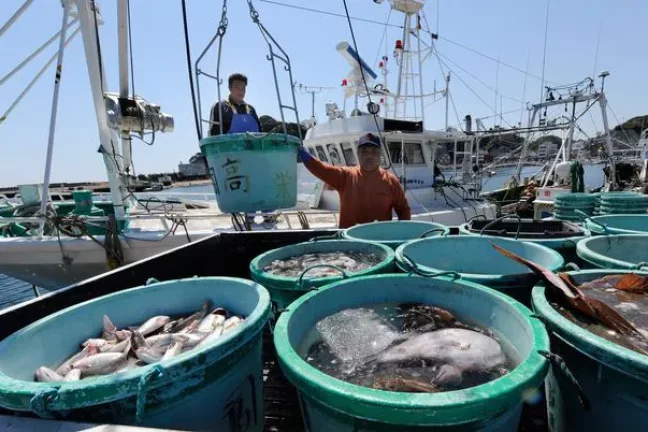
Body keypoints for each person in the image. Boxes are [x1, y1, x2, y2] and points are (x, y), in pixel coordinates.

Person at [298, 133, 411, 228]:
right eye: (364, 151)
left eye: (373, 151)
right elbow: (321, 169)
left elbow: (403, 209)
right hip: (350, 243)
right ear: (358, 154)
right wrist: (303, 153)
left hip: (381, 241)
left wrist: (403, 232)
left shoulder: (391, 181)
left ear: (380, 154)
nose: (369, 155)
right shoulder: (345, 176)